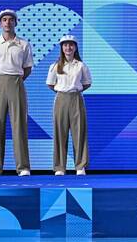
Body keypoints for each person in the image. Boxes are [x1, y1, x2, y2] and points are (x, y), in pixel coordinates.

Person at [0, 9, 34, 176]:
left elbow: (27, 68)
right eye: (4, 20)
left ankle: (23, 167)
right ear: (0, 23)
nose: (7, 22)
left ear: (15, 23)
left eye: (11, 20)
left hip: (16, 82)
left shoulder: (24, 44)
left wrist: (15, 81)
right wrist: (0, 81)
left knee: (19, 125)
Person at [46, 35, 91, 176]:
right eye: (65, 45)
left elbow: (87, 83)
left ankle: (80, 166)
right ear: (61, 48)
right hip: (61, 99)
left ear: (75, 47)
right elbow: (50, 84)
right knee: (60, 133)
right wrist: (63, 91)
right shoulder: (55, 66)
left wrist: (74, 90)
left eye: (71, 45)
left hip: (76, 98)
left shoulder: (81, 66)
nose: (68, 48)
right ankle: (60, 167)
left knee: (79, 132)